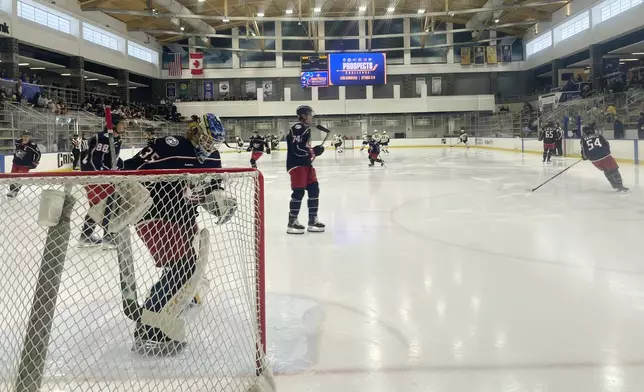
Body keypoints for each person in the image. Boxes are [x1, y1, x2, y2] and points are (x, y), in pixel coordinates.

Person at [121, 113, 236, 355]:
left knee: (188, 267)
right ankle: (148, 328)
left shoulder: (213, 157)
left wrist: (219, 200)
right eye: (207, 140)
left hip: (185, 218)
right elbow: (128, 169)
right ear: (195, 132)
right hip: (155, 215)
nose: (210, 147)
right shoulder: (169, 146)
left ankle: (171, 301)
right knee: (183, 267)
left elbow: (212, 186)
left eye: (214, 142)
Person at [79, 114, 127, 246]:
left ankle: (85, 236)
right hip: (96, 176)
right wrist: (105, 174)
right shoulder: (102, 138)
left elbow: (112, 160)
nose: (124, 126)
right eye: (121, 123)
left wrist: (120, 167)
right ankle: (108, 237)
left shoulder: (115, 139)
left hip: (100, 176)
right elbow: (93, 160)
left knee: (96, 207)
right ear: (114, 124)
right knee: (111, 204)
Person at [286, 105, 325, 234]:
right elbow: (296, 149)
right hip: (297, 165)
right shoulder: (298, 128)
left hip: (306, 164)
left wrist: (313, 151)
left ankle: (313, 220)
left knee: (314, 189)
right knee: (298, 192)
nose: (311, 117)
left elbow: (303, 148)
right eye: (309, 114)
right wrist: (312, 151)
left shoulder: (305, 129)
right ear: (303, 115)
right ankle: (292, 222)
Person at [580, 126, 628, 192]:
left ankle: (614, 185)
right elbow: (607, 143)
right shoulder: (599, 135)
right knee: (614, 170)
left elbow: (584, 152)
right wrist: (607, 152)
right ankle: (620, 186)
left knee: (606, 171)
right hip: (605, 156)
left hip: (595, 161)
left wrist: (585, 157)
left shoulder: (583, 140)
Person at [6, 131, 40, 199]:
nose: (25, 138)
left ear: (29, 137)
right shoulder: (18, 141)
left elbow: (38, 154)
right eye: (24, 136)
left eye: (27, 136)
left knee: (19, 178)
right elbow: (17, 150)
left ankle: (15, 191)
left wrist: (35, 161)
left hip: (25, 165)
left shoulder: (33, 145)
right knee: (12, 177)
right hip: (16, 163)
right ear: (22, 136)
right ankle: (11, 191)